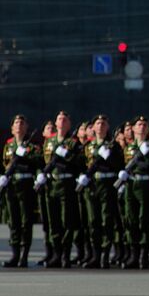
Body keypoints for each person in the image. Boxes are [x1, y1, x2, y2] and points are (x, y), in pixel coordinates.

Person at [38, 111, 86, 268]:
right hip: (51, 184)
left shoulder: (73, 143)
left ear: (69, 124)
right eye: (60, 119)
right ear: (56, 123)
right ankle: (56, 253)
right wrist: (40, 174)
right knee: (53, 221)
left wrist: (67, 155)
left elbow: (80, 163)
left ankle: (65, 254)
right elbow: (41, 162)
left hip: (66, 184)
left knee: (67, 220)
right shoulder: (49, 142)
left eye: (65, 120)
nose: (62, 122)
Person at [81, 115, 123, 269]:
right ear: (93, 127)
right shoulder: (88, 146)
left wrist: (109, 158)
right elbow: (82, 164)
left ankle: (105, 255)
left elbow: (119, 165)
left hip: (107, 184)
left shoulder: (113, 146)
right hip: (92, 185)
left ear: (107, 127)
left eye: (103, 123)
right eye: (97, 123)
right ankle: (95, 254)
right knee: (93, 221)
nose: (100, 126)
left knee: (107, 219)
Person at [1, 115, 42, 267]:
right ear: (12, 128)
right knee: (14, 221)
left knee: (26, 221)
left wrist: (25, 155)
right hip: (11, 186)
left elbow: (37, 162)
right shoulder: (8, 146)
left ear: (26, 127)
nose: (19, 125)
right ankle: (15, 255)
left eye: (22, 123)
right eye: (16, 123)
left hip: (25, 186)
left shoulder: (32, 146)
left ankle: (24, 256)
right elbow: (4, 164)